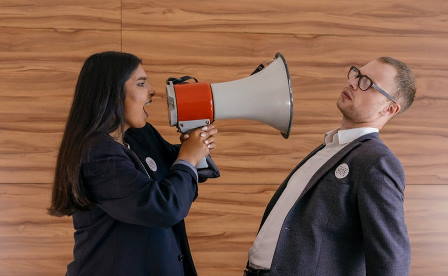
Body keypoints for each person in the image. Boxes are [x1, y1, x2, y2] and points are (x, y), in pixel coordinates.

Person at [48, 51, 219, 276]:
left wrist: (195, 146)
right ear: (111, 93)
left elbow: (177, 181)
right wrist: (188, 157)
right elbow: (165, 207)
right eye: (141, 83)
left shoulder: (140, 135)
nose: (152, 91)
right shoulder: (97, 155)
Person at [245, 57, 415, 276]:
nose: (353, 83)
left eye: (368, 83)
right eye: (356, 74)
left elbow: (391, 259)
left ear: (389, 108)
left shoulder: (377, 162)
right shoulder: (329, 148)